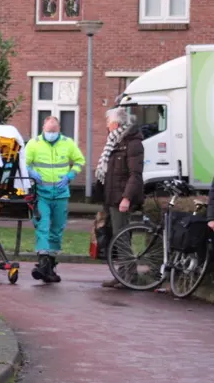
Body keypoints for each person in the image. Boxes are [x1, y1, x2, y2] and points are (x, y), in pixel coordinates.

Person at [25, 116, 86, 283]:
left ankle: (48, 267)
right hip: (41, 193)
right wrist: (31, 172)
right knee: (42, 226)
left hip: (60, 193)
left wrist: (70, 176)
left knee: (57, 229)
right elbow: (24, 162)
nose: (51, 134)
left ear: (59, 130)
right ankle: (44, 262)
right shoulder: (34, 144)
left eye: (53, 131)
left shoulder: (68, 143)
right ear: (43, 129)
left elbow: (80, 161)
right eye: (48, 131)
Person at [97, 108, 145, 288]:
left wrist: (126, 198)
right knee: (116, 236)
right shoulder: (116, 141)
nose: (107, 126)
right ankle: (121, 274)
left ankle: (129, 276)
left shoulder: (132, 143)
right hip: (112, 196)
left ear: (116, 124)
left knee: (122, 237)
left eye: (108, 122)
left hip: (121, 198)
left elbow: (135, 174)